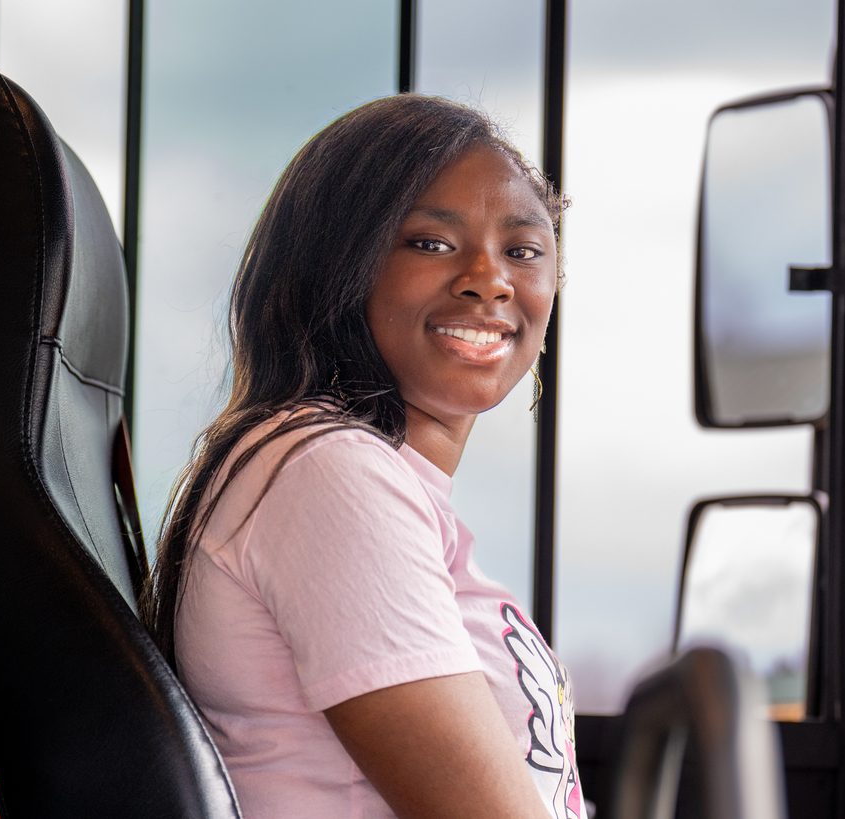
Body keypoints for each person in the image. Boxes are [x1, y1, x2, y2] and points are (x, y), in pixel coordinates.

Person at [143, 94, 581, 819]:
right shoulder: (327, 471)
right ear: (339, 266)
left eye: (523, 250)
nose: (490, 278)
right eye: (431, 243)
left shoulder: (367, 477)